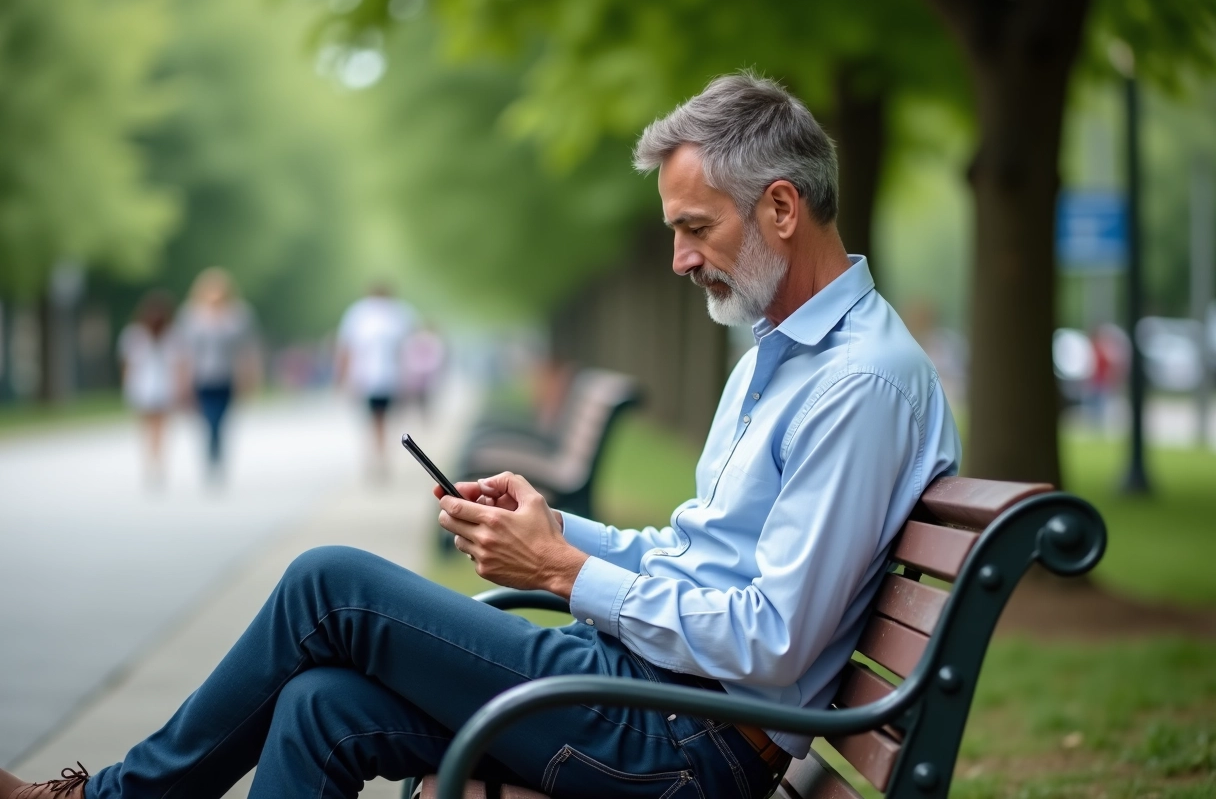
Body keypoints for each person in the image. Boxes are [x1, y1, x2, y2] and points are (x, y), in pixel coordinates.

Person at [0, 73, 960, 799]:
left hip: (689, 737)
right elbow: (700, 557)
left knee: (327, 583)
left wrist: (561, 576)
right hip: (654, 692)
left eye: (695, 227)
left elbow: (774, 645)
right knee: (316, 705)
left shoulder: (858, 382)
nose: (677, 258)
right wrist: (562, 531)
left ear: (782, 208)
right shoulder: (776, 357)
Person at [175, 268, 259, 481]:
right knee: (208, 418)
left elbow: (246, 349)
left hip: (228, 374)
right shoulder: (191, 315)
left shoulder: (238, 314)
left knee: (222, 418)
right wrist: (182, 380)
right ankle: (211, 452)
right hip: (201, 376)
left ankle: (218, 451)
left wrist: (250, 376)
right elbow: (184, 350)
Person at [335, 284, 417, 474]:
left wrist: (342, 377)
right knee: (377, 419)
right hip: (373, 378)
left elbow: (347, 348)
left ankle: (379, 455)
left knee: (378, 420)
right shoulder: (392, 314)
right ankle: (379, 456)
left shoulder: (366, 314)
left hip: (381, 378)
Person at [117, 290, 178, 486]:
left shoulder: (172, 336)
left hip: (164, 388)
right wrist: (127, 387)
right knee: (145, 429)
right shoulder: (135, 335)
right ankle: (148, 464)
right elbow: (128, 365)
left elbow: (179, 364)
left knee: (161, 429)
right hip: (142, 388)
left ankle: (159, 464)